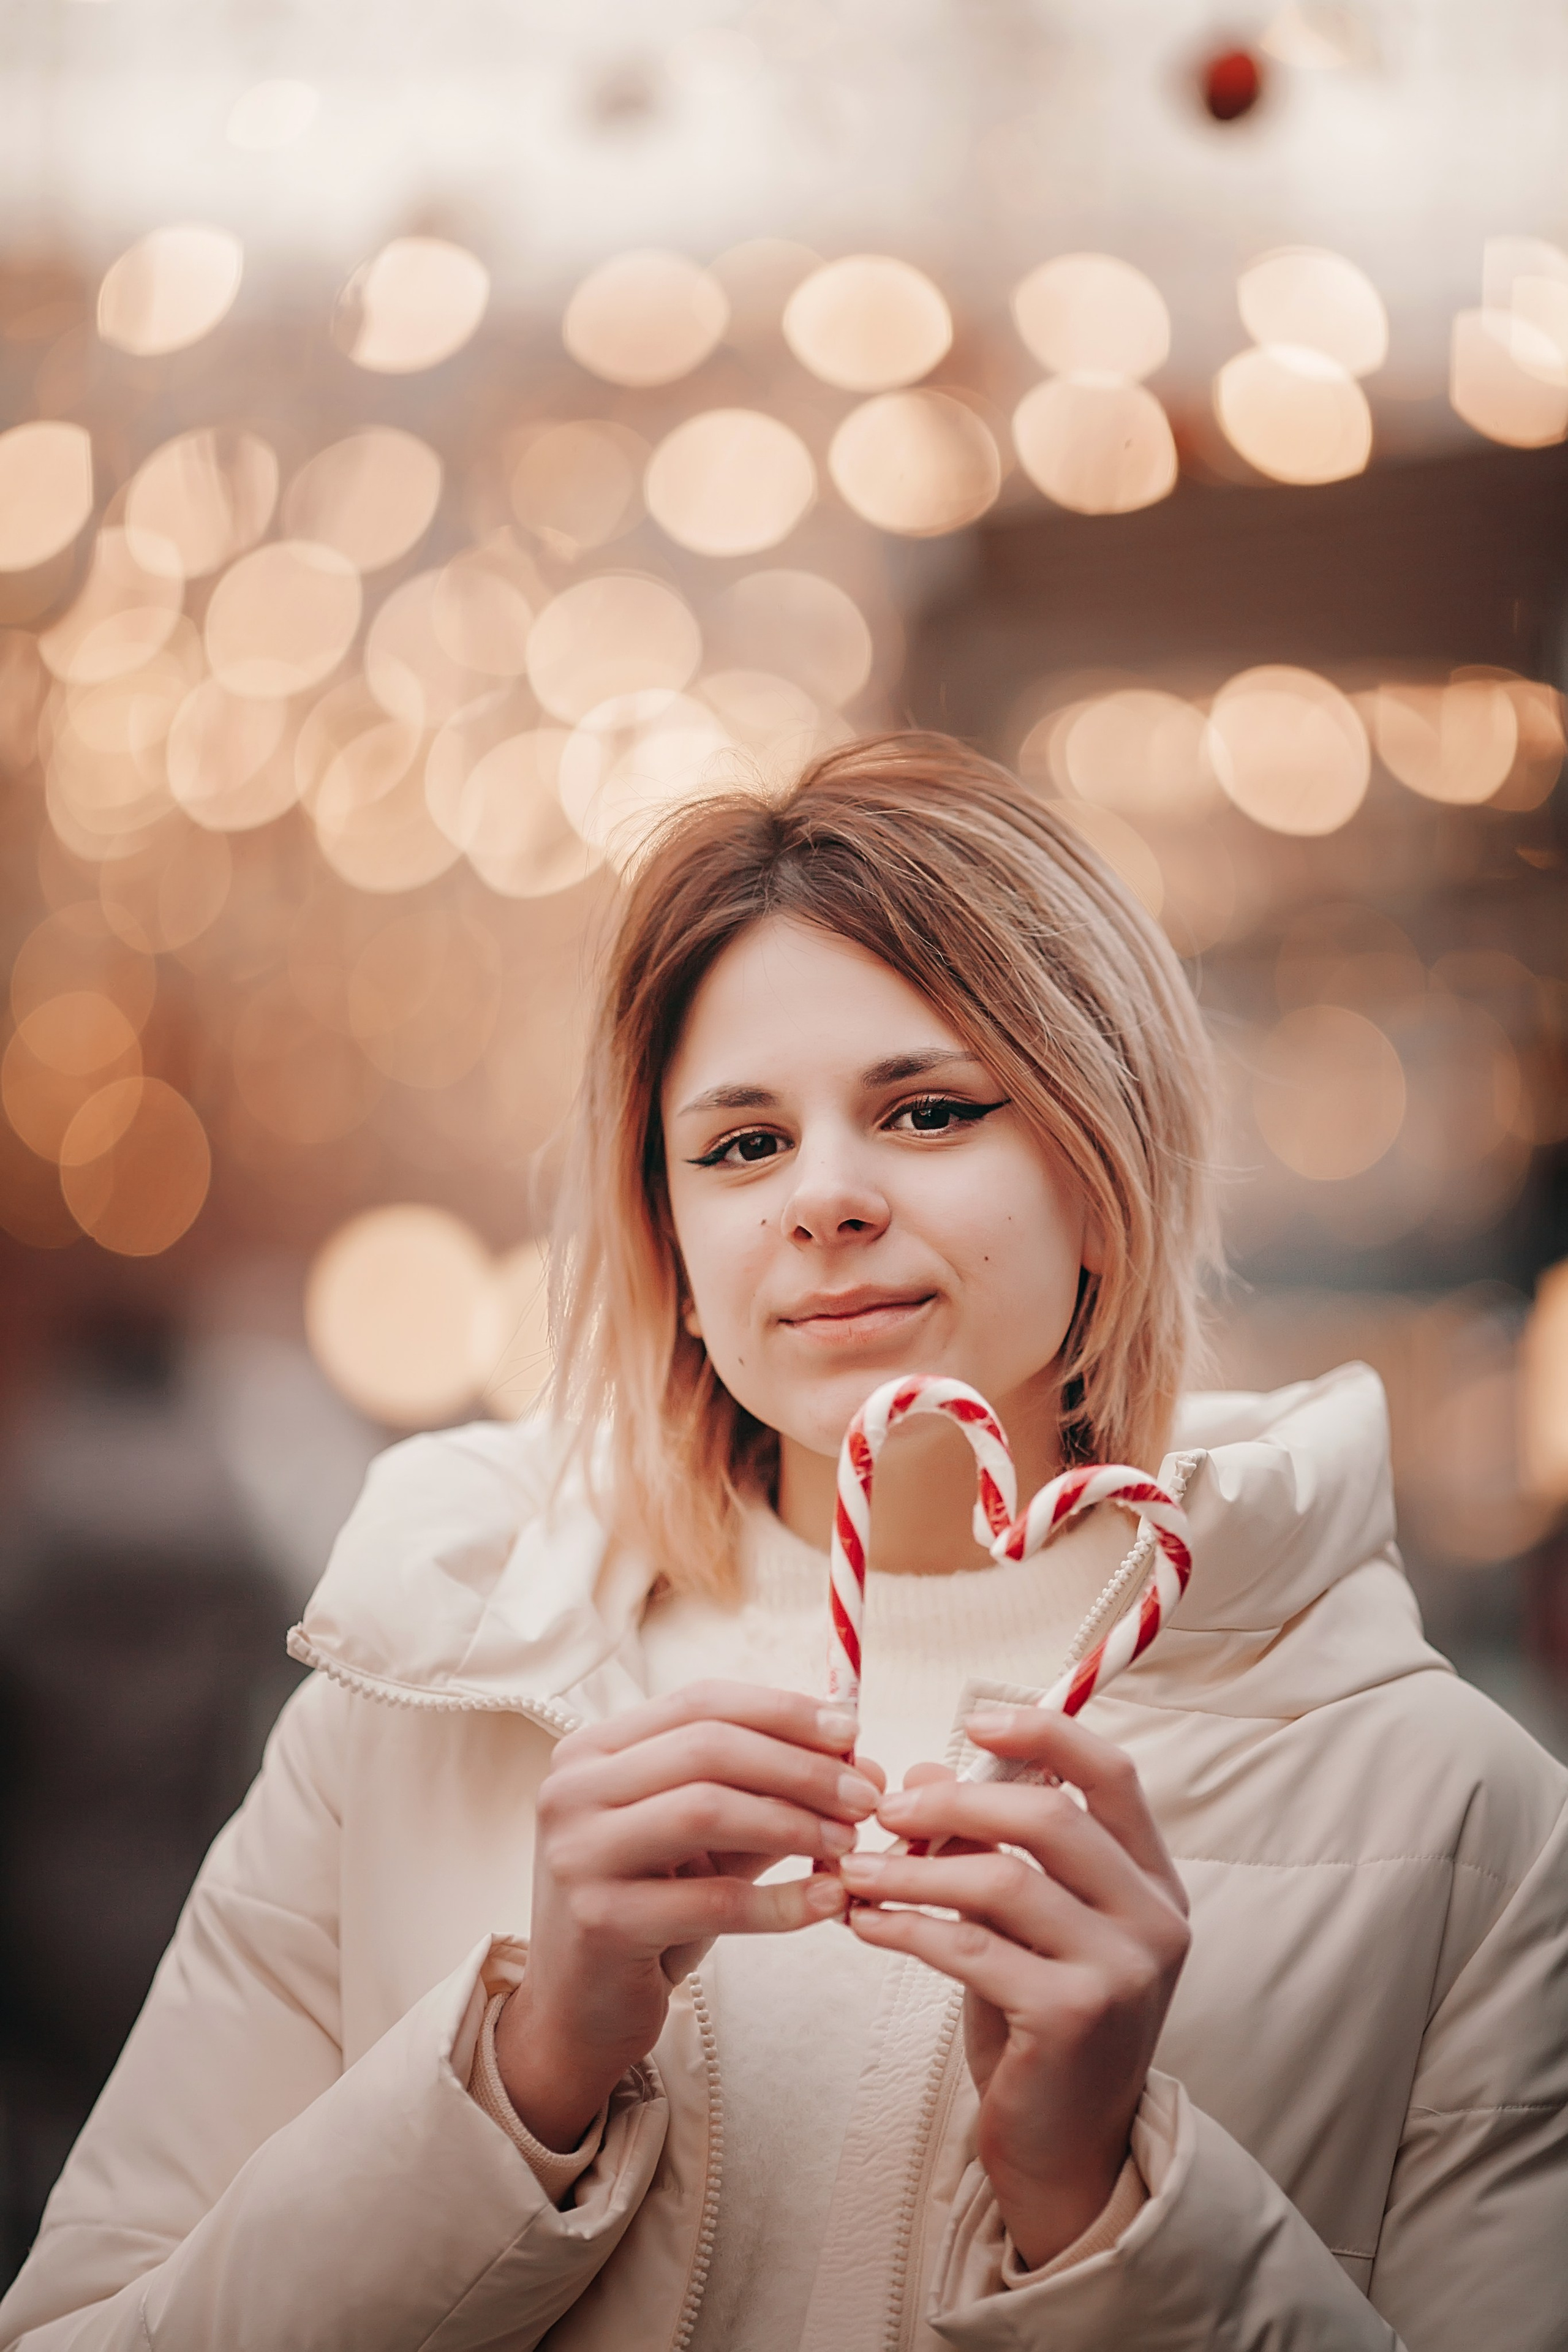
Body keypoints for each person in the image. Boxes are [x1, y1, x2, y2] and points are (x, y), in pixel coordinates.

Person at [3, 734, 1564, 2351]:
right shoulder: (421, 1698)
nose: (822, 1196)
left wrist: (1105, 2207)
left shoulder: (1458, 1816)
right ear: (671, 1244)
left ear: (1109, 1177)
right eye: (742, 1146)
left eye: (932, 1110)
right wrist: (520, 2083)